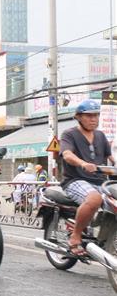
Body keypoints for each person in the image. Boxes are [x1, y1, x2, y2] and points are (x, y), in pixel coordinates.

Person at [59, 99, 115, 257]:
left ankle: (106, 237)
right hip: (75, 180)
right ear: (78, 117)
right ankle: (75, 237)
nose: (93, 119)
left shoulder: (100, 135)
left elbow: (112, 157)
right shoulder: (69, 134)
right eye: (89, 116)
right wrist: (83, 163)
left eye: (96, 115)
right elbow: (67, 154)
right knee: (94, 198)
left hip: (101, 182)